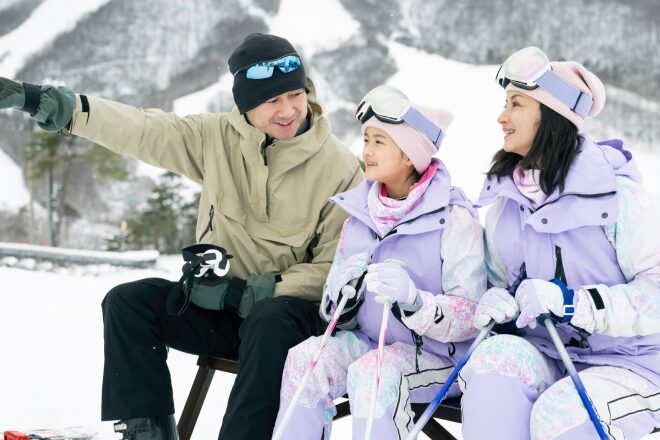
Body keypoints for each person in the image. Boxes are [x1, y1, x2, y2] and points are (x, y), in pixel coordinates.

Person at [0, 33, 363, 440]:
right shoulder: (215, 140)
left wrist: (255, 292)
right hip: (221, 311)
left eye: (295, 95)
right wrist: (46, 102)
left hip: (290, 323)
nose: (288, 110)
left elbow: (338, 268)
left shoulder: (340, 168)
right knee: (129, 302)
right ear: (246, 105)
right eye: (271, 101)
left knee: (269, 318)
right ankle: (148, 433)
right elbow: (139, 128)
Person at [463, 46, 660, 439]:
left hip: (634, 363)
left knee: (562, 411)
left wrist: (576, 303)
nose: (501, 117)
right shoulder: (505, 205)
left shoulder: (618, 197)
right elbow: (495, 284)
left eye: (516, 104)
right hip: (550, 354)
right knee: (491, 363)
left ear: (552, 116)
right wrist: (495, 302)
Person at [271, 84, 487, 439]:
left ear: (409, 155)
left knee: (374, 373)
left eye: (378, 142)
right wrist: (343, 297)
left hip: (438, 356)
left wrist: (415, 302)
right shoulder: (358, 217)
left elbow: (471, 315)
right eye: (366, 139)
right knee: (305, 360)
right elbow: (331, 312)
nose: (366, 151)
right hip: (371, 343)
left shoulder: (454, 219)